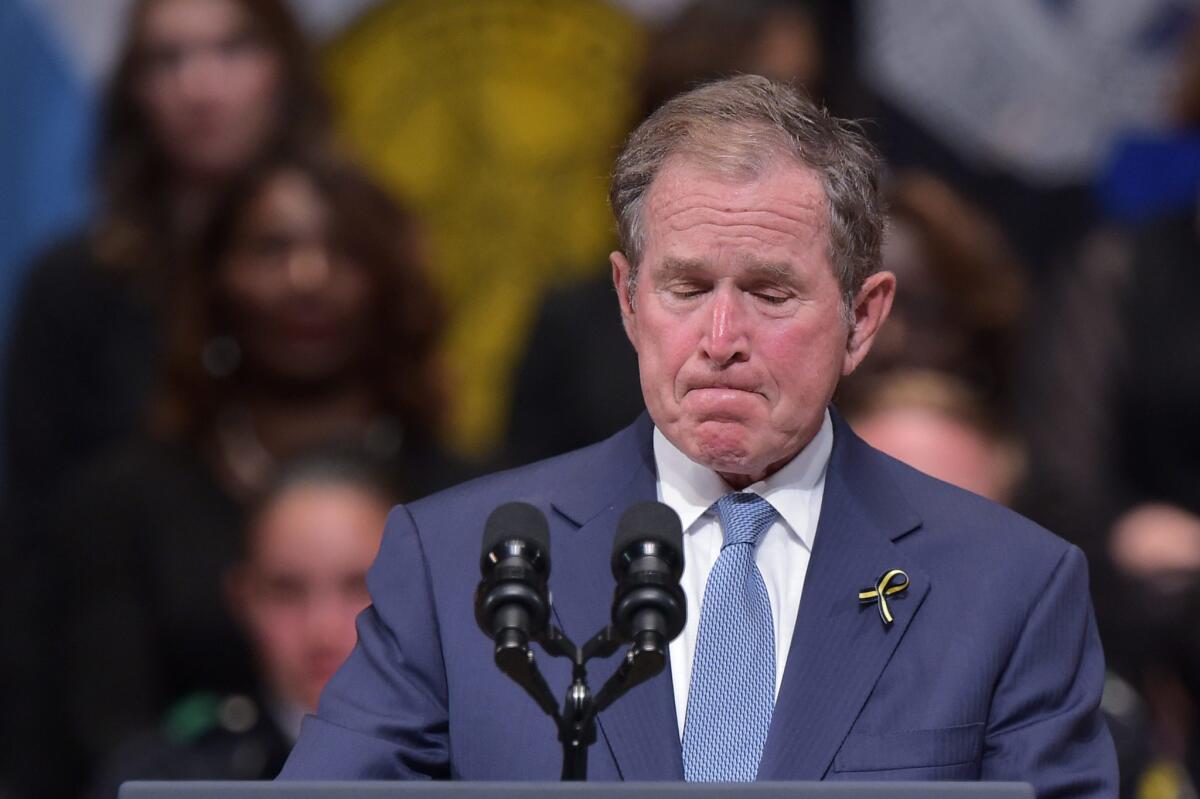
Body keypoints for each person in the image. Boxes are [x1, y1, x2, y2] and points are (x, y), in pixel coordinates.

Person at [279, 75, 1116, 794]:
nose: (721, 336)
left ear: (864, 317)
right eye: (685, 287)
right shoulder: (457, 563)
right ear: (627, 298)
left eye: (769, 291)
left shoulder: (1008, 587)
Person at [51, 147, 461, 790]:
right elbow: (93, 738)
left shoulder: (469, 498)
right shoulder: (121, 501)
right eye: (271, 249)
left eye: (344, 250)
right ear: (216, 278)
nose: (307, 276)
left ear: (388, 281)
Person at [87, 449, 392, 798]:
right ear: (244, 601)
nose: (321, 630)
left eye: (360, 586)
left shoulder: (462, 759)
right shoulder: (168, 777)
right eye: (286, 591)